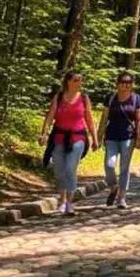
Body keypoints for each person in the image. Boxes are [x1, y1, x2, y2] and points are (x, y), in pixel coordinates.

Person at [39, 71, 98, 216]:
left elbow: (89, 119)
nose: (79, 83)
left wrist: (95, 138)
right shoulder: (58, 97)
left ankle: (70, 203)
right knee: (59, 172)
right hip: (59, 137)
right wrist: (44, 134)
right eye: (76, 80)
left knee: (70, 169)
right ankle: (62, 200)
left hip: (78, 138)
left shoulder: (84, 98)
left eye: (81, 80)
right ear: (68, 82)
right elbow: (50, 117)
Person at [96, 71, 140, 209]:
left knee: (124, 167)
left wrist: (139, 134)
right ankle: (113, 187)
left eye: (129, 83)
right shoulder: (111, 98)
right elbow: (104, 117)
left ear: (132, 84)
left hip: (128, 137)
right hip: (111, 136)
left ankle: (122, 197)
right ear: (117, 84)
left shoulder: (136, 99)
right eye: (123, 82)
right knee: (109, 164)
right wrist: (99, 135)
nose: (126, 85)